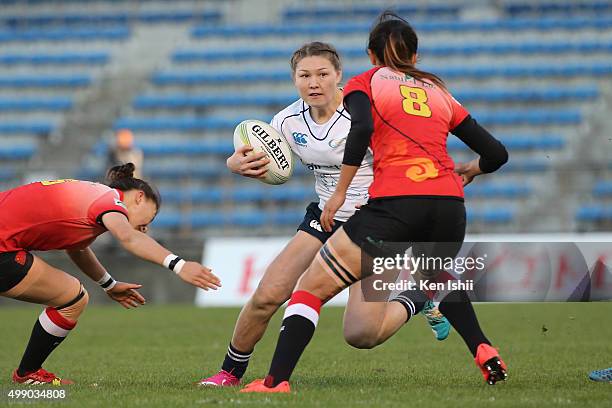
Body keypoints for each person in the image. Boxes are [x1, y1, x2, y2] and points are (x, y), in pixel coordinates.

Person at [240, 12, 509, 393]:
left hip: (395, 202)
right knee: (432, 278)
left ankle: (275, 381)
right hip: (450, 202)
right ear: (415, 58)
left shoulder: (365, 82)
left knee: (310, 287)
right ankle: (482, 345)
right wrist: (473, 169)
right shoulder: (438, 91)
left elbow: (362, 127)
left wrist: (338, 194)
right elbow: (497, 153)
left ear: (370, 55)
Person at [198, 41, 450, 387]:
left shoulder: (368, 113)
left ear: (339, 76)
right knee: (267, 294)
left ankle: (417, 298)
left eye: (321, 74)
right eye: (304, 75)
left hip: (377, 224)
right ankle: (229, 372)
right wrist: (235, 163)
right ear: (294, 79)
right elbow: (262, 161)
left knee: (362, 334)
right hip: (324, 218)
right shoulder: (285, 122)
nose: (313, 83)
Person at [0, 163, 220, 385]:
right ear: (140, 197)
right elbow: (128, 238)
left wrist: (108, 284)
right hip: (3, 247)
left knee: (71, 296)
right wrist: (179, 265)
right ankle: (28, 373)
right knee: (72, 298)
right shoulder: (110, 200)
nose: (145, 228)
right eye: (149, 218)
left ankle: (29, 372)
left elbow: (77, 248)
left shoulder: (93, 198)